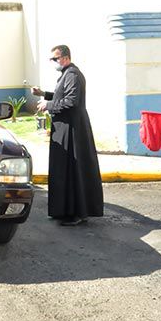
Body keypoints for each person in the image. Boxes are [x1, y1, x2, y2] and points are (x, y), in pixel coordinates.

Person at [32, 45, 104, 226]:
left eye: (55, 59)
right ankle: (63, 210)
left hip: (73, 130)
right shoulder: (66, 74)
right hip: (65, 128)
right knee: (63, 169)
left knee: (73, 170)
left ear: (65, 58)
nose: (53, 62)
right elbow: (60, 96)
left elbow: (71, 101)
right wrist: (43, 94)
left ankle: (76, 213)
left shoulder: (72, 74)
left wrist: (48, 105)